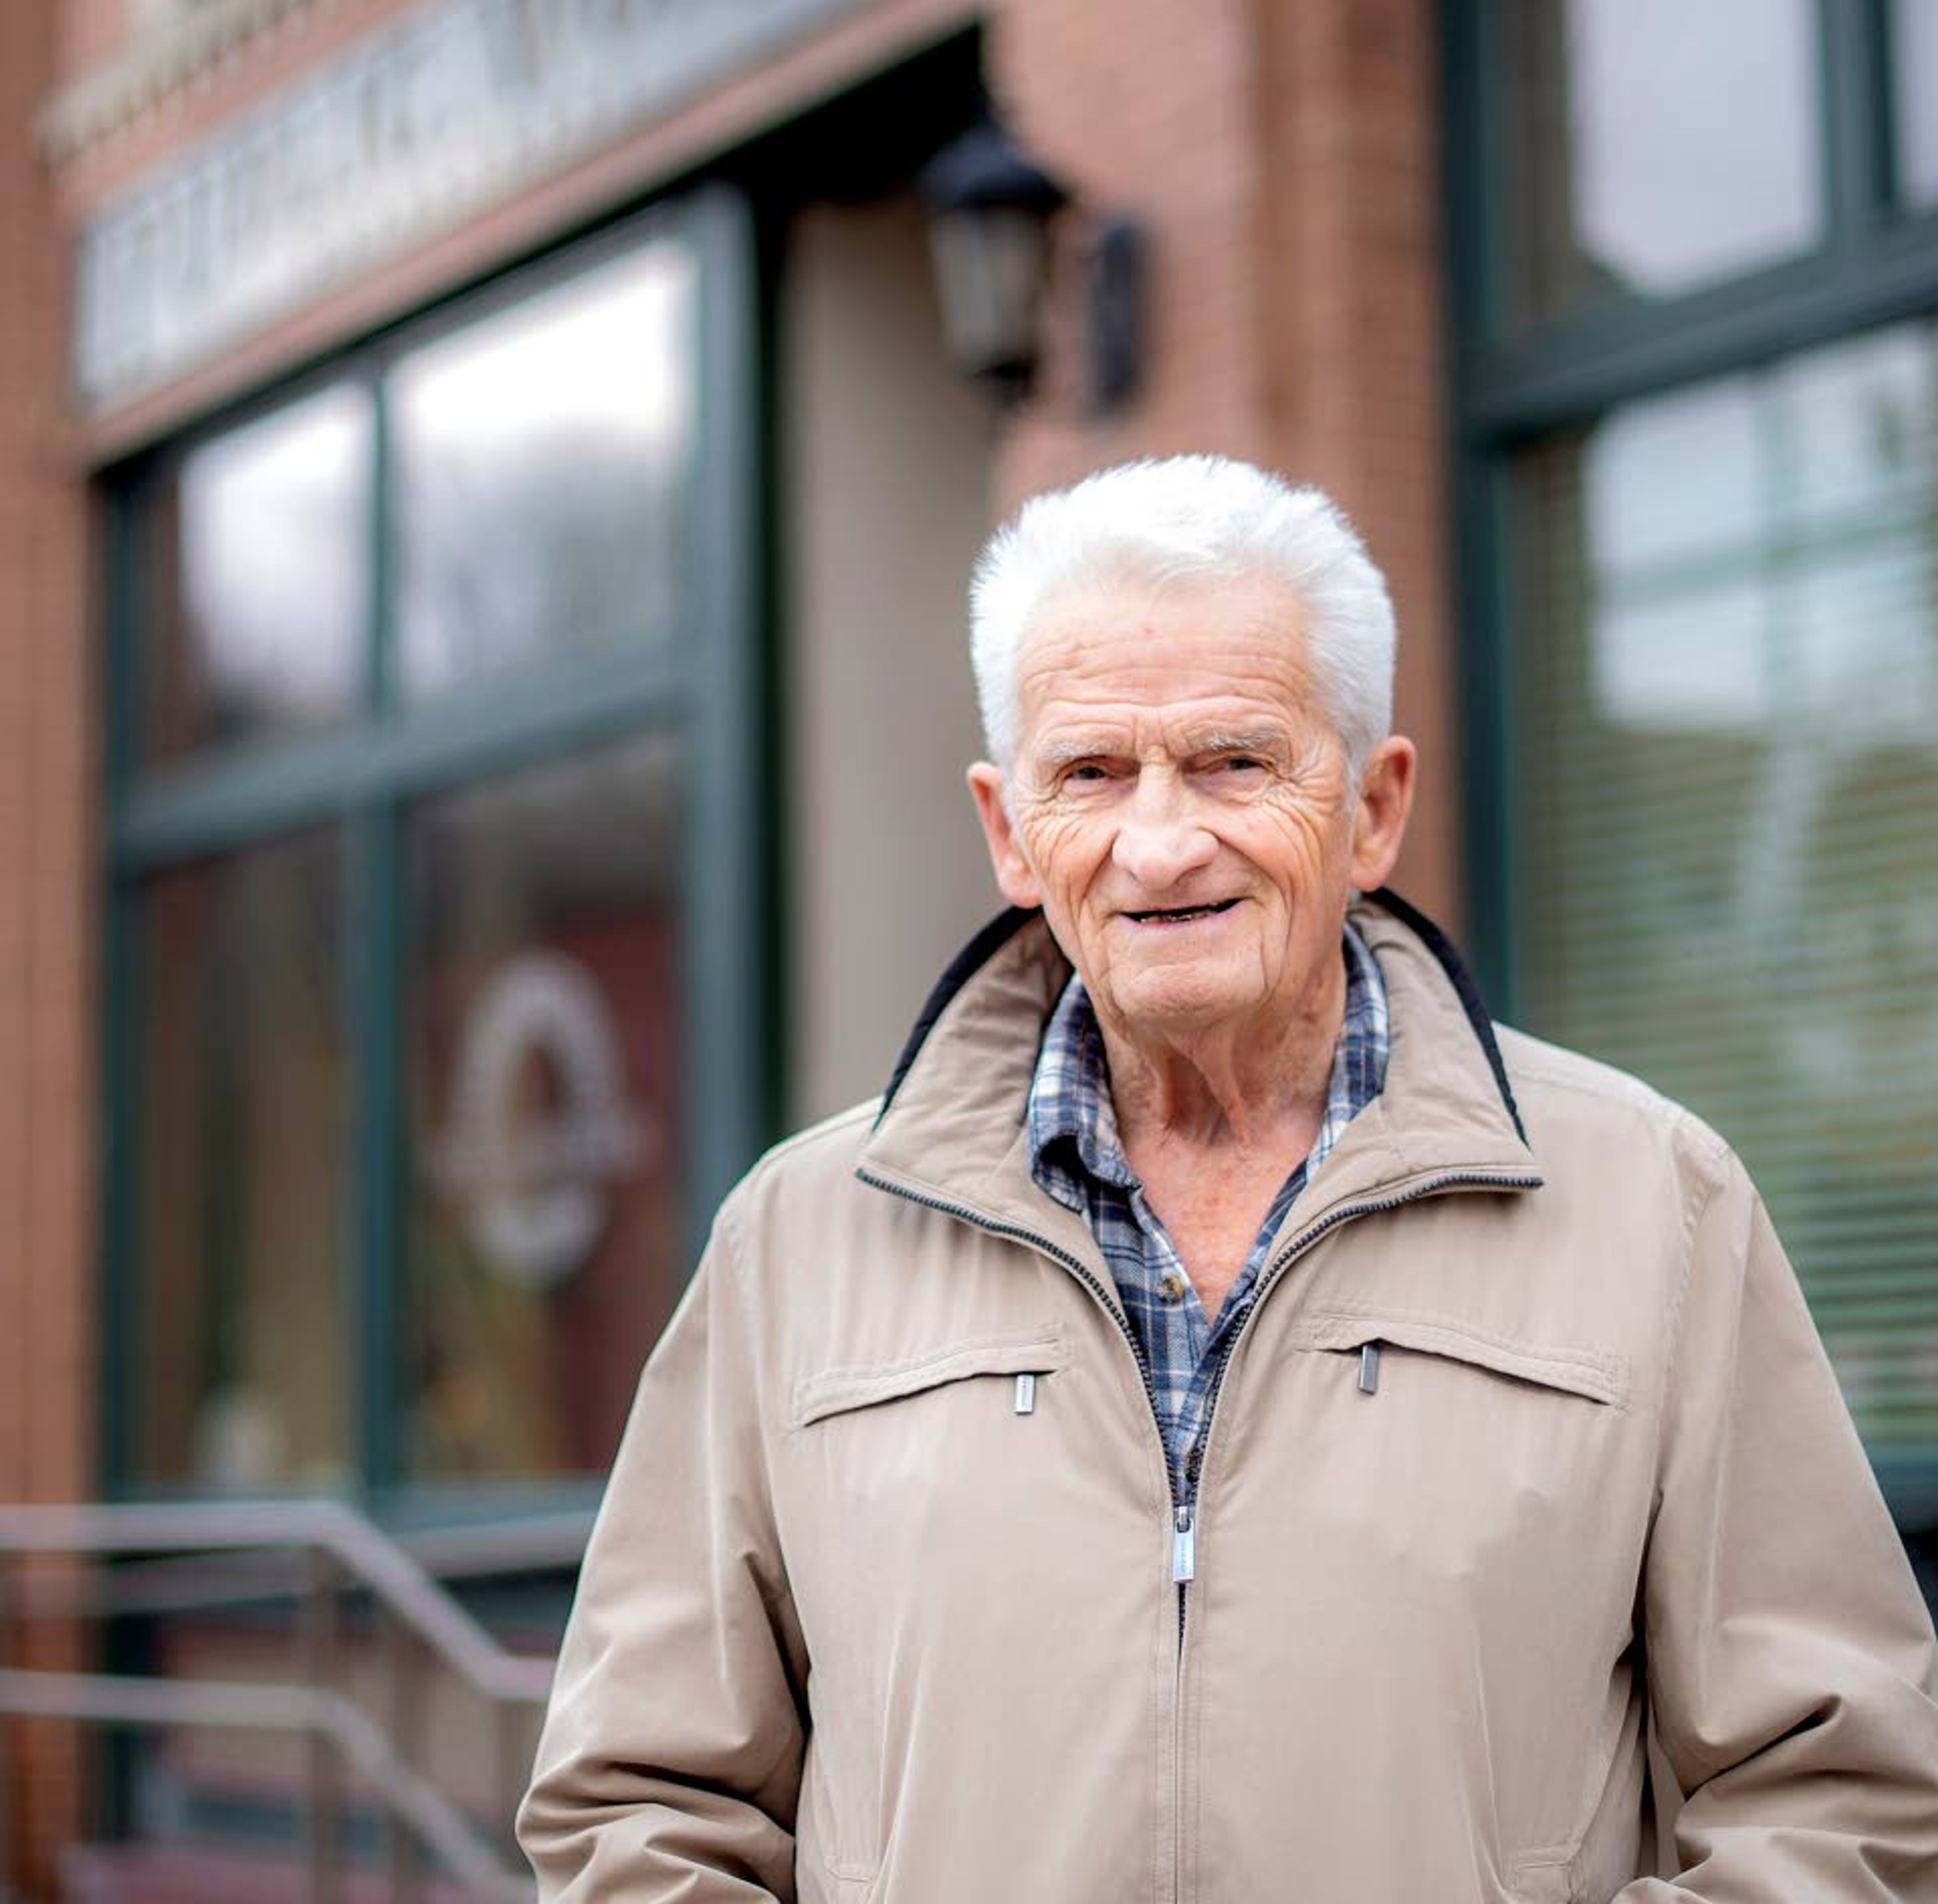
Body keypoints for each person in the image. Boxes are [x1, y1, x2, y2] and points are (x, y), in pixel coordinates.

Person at [519, 455, 1938, 1902]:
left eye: (1234, 762)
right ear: (1012, 832)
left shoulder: (1655, 1205)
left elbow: (1836, 1795)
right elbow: (640, 1800)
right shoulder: (797, 1241)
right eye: (1091, 773)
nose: (1160, 841)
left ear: (1374, 809)